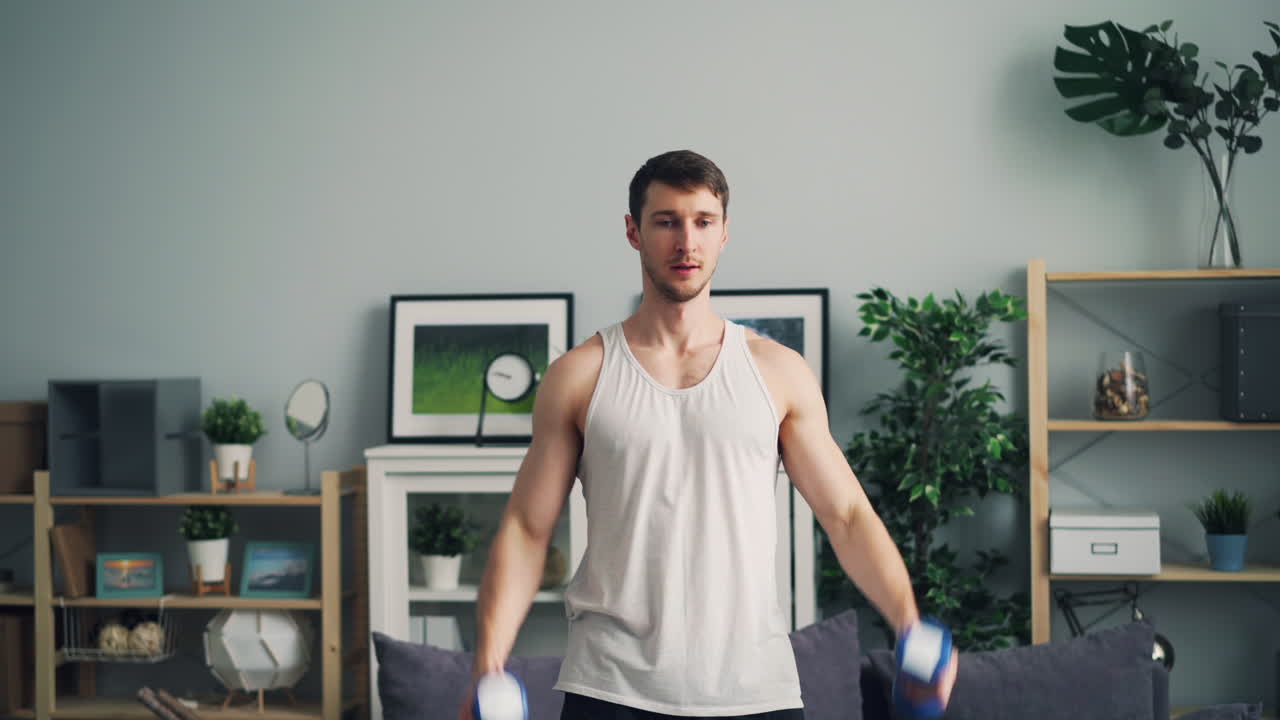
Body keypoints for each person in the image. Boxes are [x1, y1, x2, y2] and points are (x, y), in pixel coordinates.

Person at [462, 150, 958, 720]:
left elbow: (846, 515)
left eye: (703, 222)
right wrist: (489, 666)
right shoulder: (580, 374)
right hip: (610, 688)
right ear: (633, 231)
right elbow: (527, 529)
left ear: (725, 233)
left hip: (754, 691)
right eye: (666, 221)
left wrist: (909, 624)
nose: (686, 242)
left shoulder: (778, 372)